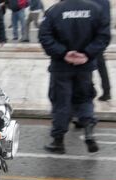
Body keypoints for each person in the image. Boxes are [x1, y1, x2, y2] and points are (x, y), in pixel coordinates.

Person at [38, 0, 110, 154]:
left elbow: (44, 36)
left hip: (61, 67)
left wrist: (64, 53)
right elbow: (104, 36)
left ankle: (58, 142)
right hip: (84, 66)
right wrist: (87, 54)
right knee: (84, 98)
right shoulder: (95, 9)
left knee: (61, 102)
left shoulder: (54, 11)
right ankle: (89, 133)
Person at [91, 0, 110, 101]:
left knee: (87, 64)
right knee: (101, 64)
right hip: (101, 36)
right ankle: (107, 91)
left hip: (91, 36)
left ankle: (91, 90)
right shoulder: (105, 1)